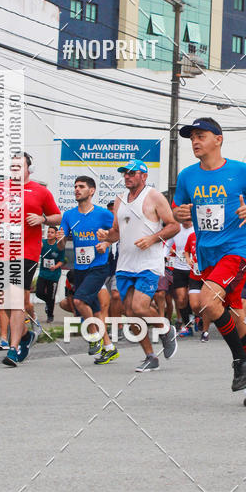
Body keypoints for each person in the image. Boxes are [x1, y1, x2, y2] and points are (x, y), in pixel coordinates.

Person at [173, 117, 246, 407]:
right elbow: (177, 209)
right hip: (208, 254)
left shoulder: (240, 171)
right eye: (192, 137)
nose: (195, 141)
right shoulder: (187, 176)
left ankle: (239, 361)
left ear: (218, 139)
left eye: (201, 135)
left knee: (205, 302)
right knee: (230, 318)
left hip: (238, 249)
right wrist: (180, 214)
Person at [0, 152, 61, 367]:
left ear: (28, 169)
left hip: (26, 252)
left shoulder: (40, 191)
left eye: (20, 166)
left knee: (15, 298)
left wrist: (42, 219)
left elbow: (57, 216)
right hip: (1, 251)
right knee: (3, 300)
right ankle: (24, 335)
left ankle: (13, 349)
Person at [97, 159, 179, 372]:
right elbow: (117, 231)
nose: (127, 176)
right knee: (129, 312)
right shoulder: (119, 200)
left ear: (143, 176)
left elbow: (173, 226)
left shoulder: (153, 196)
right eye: (125, 173)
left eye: (132, 173)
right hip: (125, 264)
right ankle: (150, 356)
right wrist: (107, 237)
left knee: (140, 307)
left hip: (148, 263)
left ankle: (165, 327)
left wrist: (152, 239)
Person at [57, 176, 117, 364]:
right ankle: (109, 348)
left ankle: (94, 338)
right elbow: (60, 246)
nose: (77, 189)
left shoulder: (103, 214)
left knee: (79, 301)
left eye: (81, 186)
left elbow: (119, 233)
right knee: (97, 310)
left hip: (99, 266)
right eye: (75, 186)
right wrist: (60, 239)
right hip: (80, 267)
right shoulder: (68, 215)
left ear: (92, 191)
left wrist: (106, 242)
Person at [168, 219, 195, 336]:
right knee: (181, 299)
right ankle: (188, 326)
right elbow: (167, 244)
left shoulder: (196, 228)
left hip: (195, 268)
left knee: (195, 301)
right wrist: (165, 255)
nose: (186, 220)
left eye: (189, 217)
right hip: (179, 268)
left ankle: (198, 318)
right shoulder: (176, 228)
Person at [183, 230, 210, 342]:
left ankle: (205, 332)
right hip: (194, 276)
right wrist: (188, 259)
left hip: (209, 276)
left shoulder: (212, 235)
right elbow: (186, 251)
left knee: (206, 305)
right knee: (194, 305)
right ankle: (201, 318)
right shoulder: (192, 236)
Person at [35, 225, 65, 323]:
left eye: (52, 232)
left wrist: (55, 267)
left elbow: (62, 260)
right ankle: (48, 303)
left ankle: (50, 315)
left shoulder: (59, 245)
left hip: (54, 275)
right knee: (39, 293)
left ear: (56, 234)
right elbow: (37, 250)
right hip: (43, 273)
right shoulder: (43, 243)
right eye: (48, 232)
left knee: (51, 296)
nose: (49, 234)